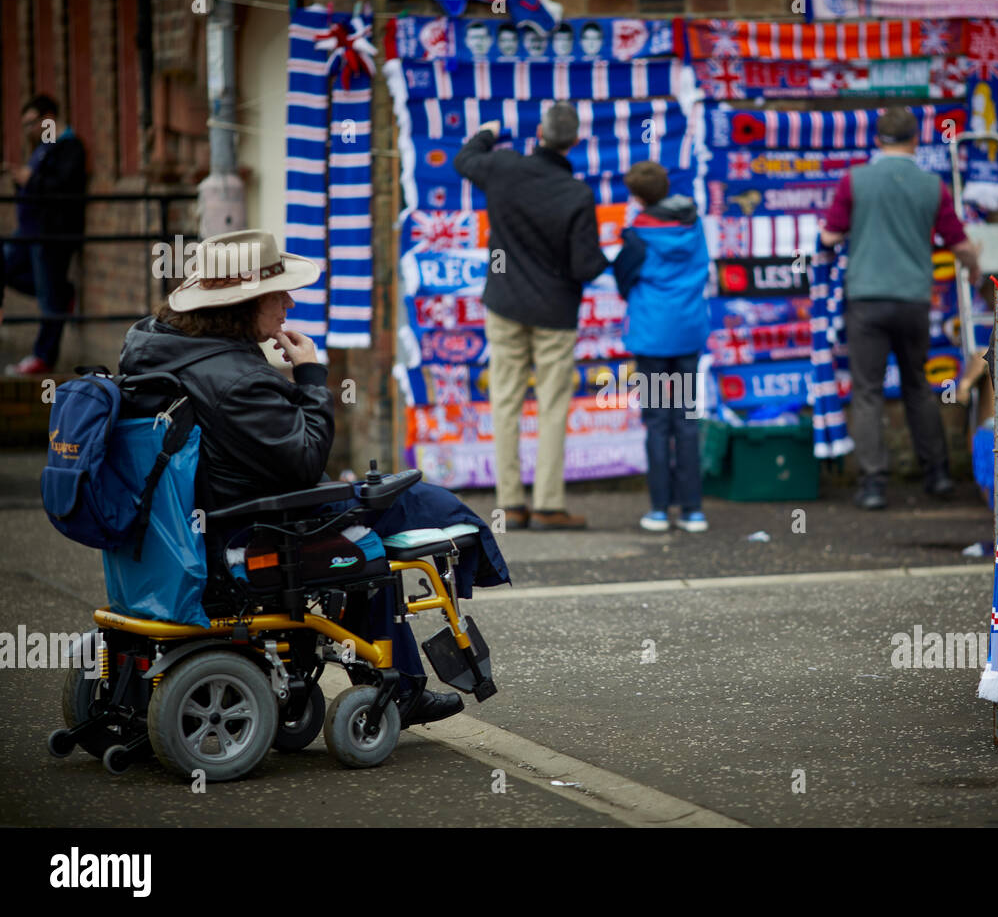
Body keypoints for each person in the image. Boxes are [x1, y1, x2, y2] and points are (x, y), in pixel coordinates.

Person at [117, 229, 510, 728]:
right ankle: (404, 687)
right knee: (416, 511)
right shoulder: (235, 377)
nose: (289, 303)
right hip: (246, 526)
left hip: (185, 520)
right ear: (244, 304)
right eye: (278, 294)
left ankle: (403, 679)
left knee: (369, 515)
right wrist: (310, 376)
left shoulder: (155, 346)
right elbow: (303, 461)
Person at [453, 103, 608, 530]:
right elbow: (585, 266)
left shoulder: (504, 166)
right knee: (552, 406)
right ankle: (547, 505)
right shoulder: (577, 194)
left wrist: (486, 131)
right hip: (555, 310)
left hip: (504, 301)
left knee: (505, 401)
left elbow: (463, 160)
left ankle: (511, 503)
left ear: (539, 132)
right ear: (574, 140)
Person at [820, 106, 980, 511]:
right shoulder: (932, 186)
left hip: (866, 300)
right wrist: (975, 269)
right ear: (915, 139)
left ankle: (873, 484)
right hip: (913, 300)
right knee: (917, 385)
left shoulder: (855, 181)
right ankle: (938, 474)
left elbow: (829, 235)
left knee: (868, 392)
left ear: (878, 140)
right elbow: (959, 244)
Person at [613, 161, 710, 533]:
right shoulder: (694, 222)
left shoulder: (637, 233)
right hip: (687, 333)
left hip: (652, 337)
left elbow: (623, 277)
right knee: (685, 420)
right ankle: (693, 511)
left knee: (657, 421)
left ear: (638, 197)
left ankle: (658, 510)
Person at [1, 94, 87, 375]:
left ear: (48, 118)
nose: (29, 130)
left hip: (51, 234)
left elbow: (63, 189)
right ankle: (62, 295)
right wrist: (20, 178)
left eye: (32, 123)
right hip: (28, 231)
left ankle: (42, 358)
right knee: (10, 270)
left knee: (51, 300)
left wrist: (30, 179)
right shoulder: (43, 148)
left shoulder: (69, 147)